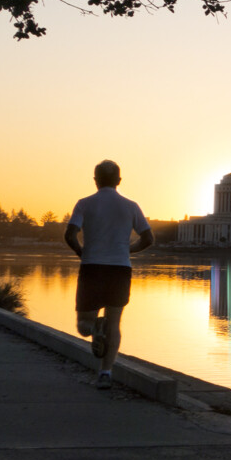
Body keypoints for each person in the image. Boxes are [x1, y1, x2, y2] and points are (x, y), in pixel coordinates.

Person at [64, 160, 153, 390]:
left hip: (92, 266)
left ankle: (95, 329)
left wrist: (80, 251)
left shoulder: (84, 204)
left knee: (83, 325)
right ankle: (105, 373)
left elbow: (70, 234)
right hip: (120, 269)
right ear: (119, 181)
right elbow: (148, 239)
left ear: (95, 180)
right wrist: (127, 249)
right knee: (114, 322)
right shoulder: (131, 206)